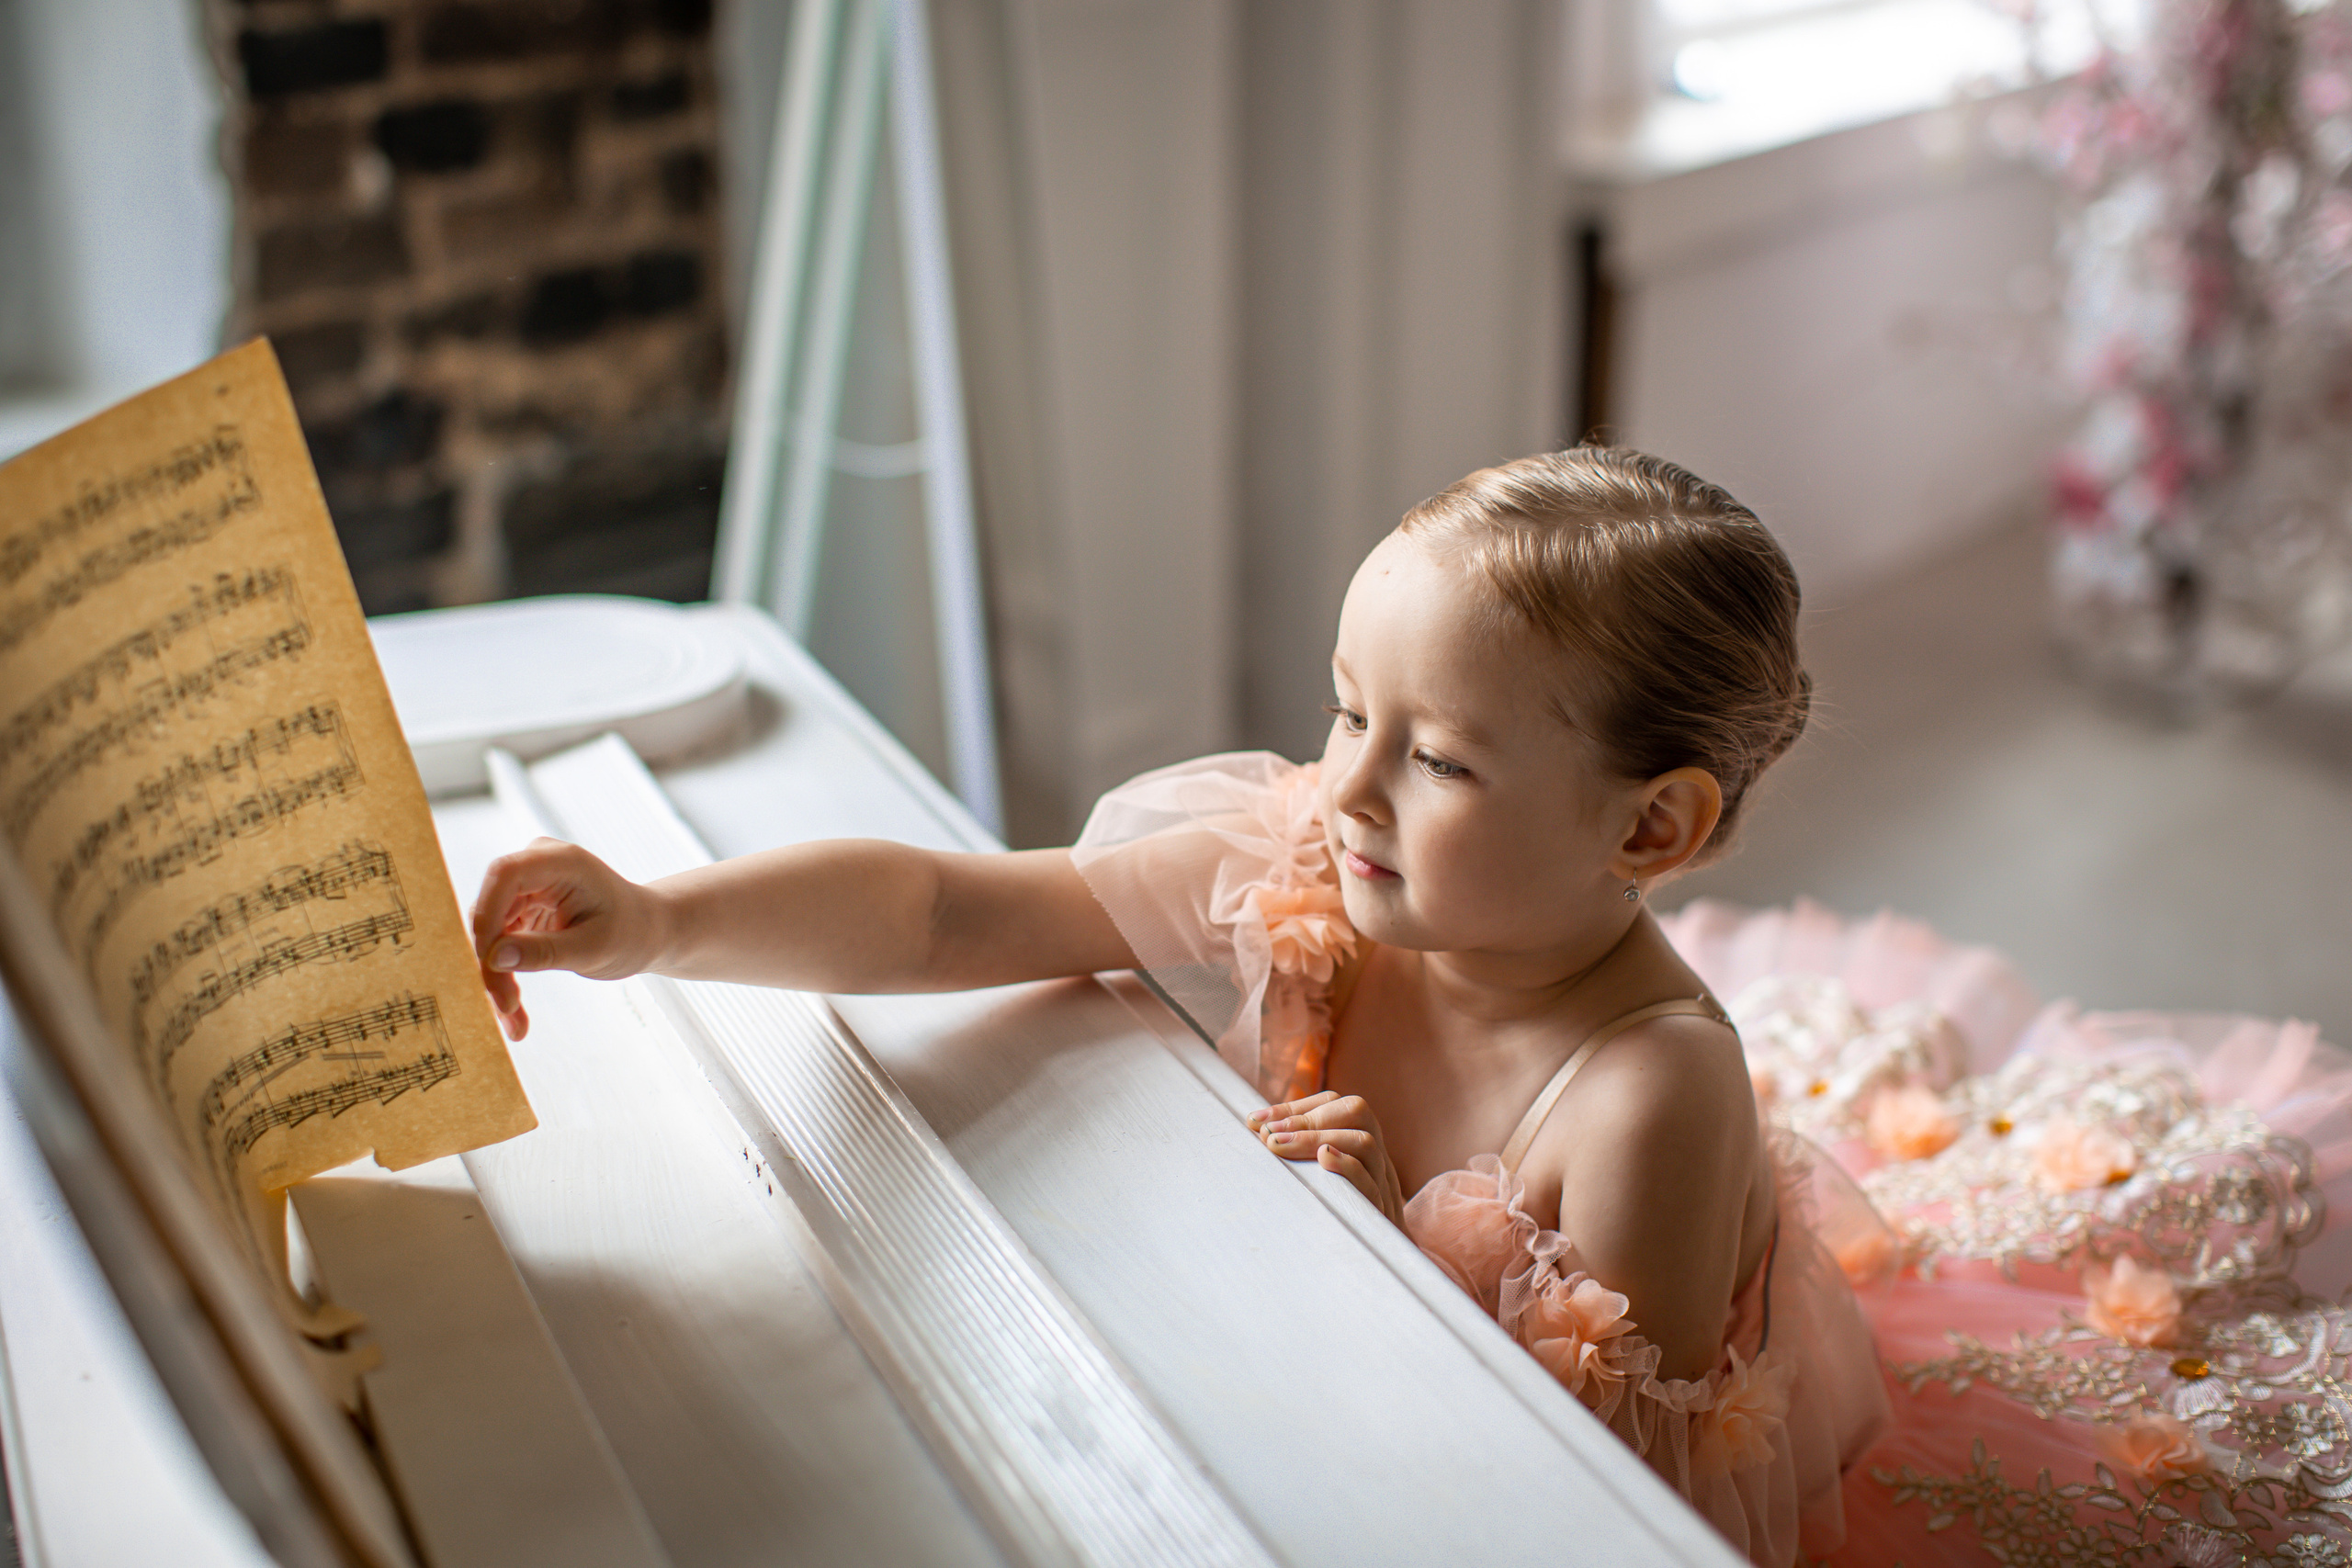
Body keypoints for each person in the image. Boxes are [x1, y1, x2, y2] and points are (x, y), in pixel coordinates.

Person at [471, 446, 2352, 1565]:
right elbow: (960, 903)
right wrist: (656, 919)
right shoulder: (1325, 859)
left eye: (1435, 756)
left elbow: (1586, 1499)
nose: (1345, 783)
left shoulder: (1647, 1098)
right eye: (1340, 705)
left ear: (1652, 823)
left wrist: (1354, 1227)